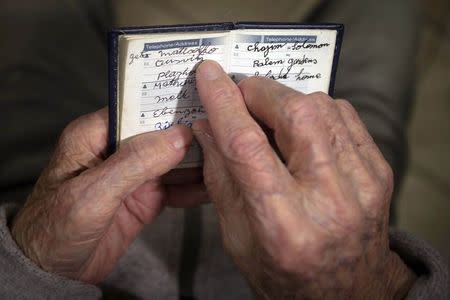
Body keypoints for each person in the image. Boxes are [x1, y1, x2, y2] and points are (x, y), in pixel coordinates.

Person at [1, 1, 448, 299]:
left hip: (48, 188)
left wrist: (30, 262)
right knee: (370, 80)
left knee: (50, 24)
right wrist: (366, 282)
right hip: (333, 218)